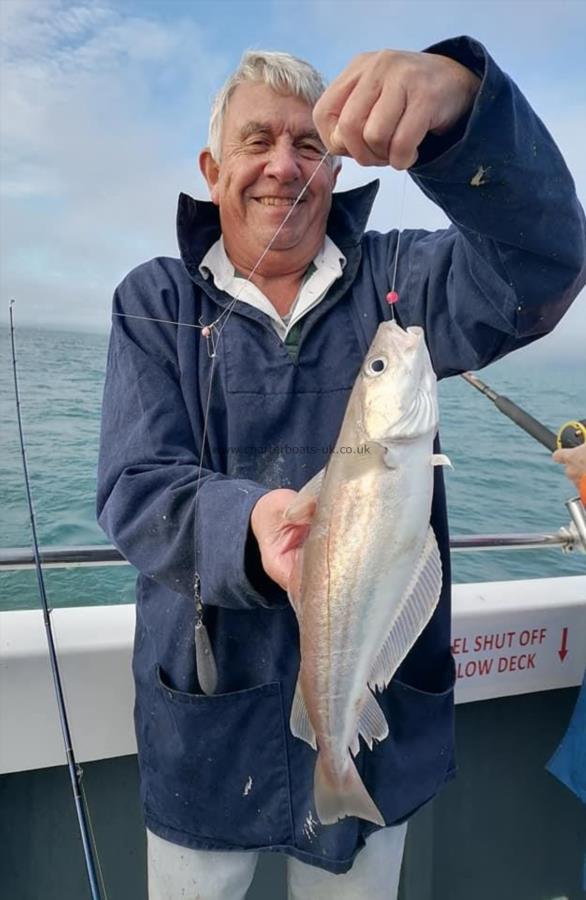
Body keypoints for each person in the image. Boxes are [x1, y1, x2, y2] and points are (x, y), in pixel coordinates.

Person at [97, 37, 586, 900]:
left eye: (310, 144)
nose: (284, 167)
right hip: (207, 725)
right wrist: (248, 528)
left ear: (334, 165)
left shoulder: (402, 278)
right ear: (214, 169)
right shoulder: (155, 299)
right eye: (258, 142)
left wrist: (464, 113)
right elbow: (136, 486)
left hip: (374, 725)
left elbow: (541, 266)